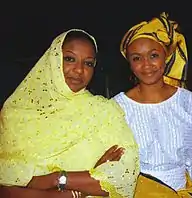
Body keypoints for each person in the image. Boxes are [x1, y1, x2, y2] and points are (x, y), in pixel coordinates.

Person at [0, 29, 139, 198]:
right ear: (53, 59)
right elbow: (7, 186)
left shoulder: (104, 111)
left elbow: (124, 176)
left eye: (88, 63)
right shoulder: (16, 112)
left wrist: (57, 179)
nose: (79, 70)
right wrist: (88, 178)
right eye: (70, 59)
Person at [113, 12, 192, 197]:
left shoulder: (187, 101)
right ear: (129, 63)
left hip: (182, 191)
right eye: (137, 58)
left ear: (166, 56)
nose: (146, 65)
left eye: (153, 55)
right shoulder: (117, 106)